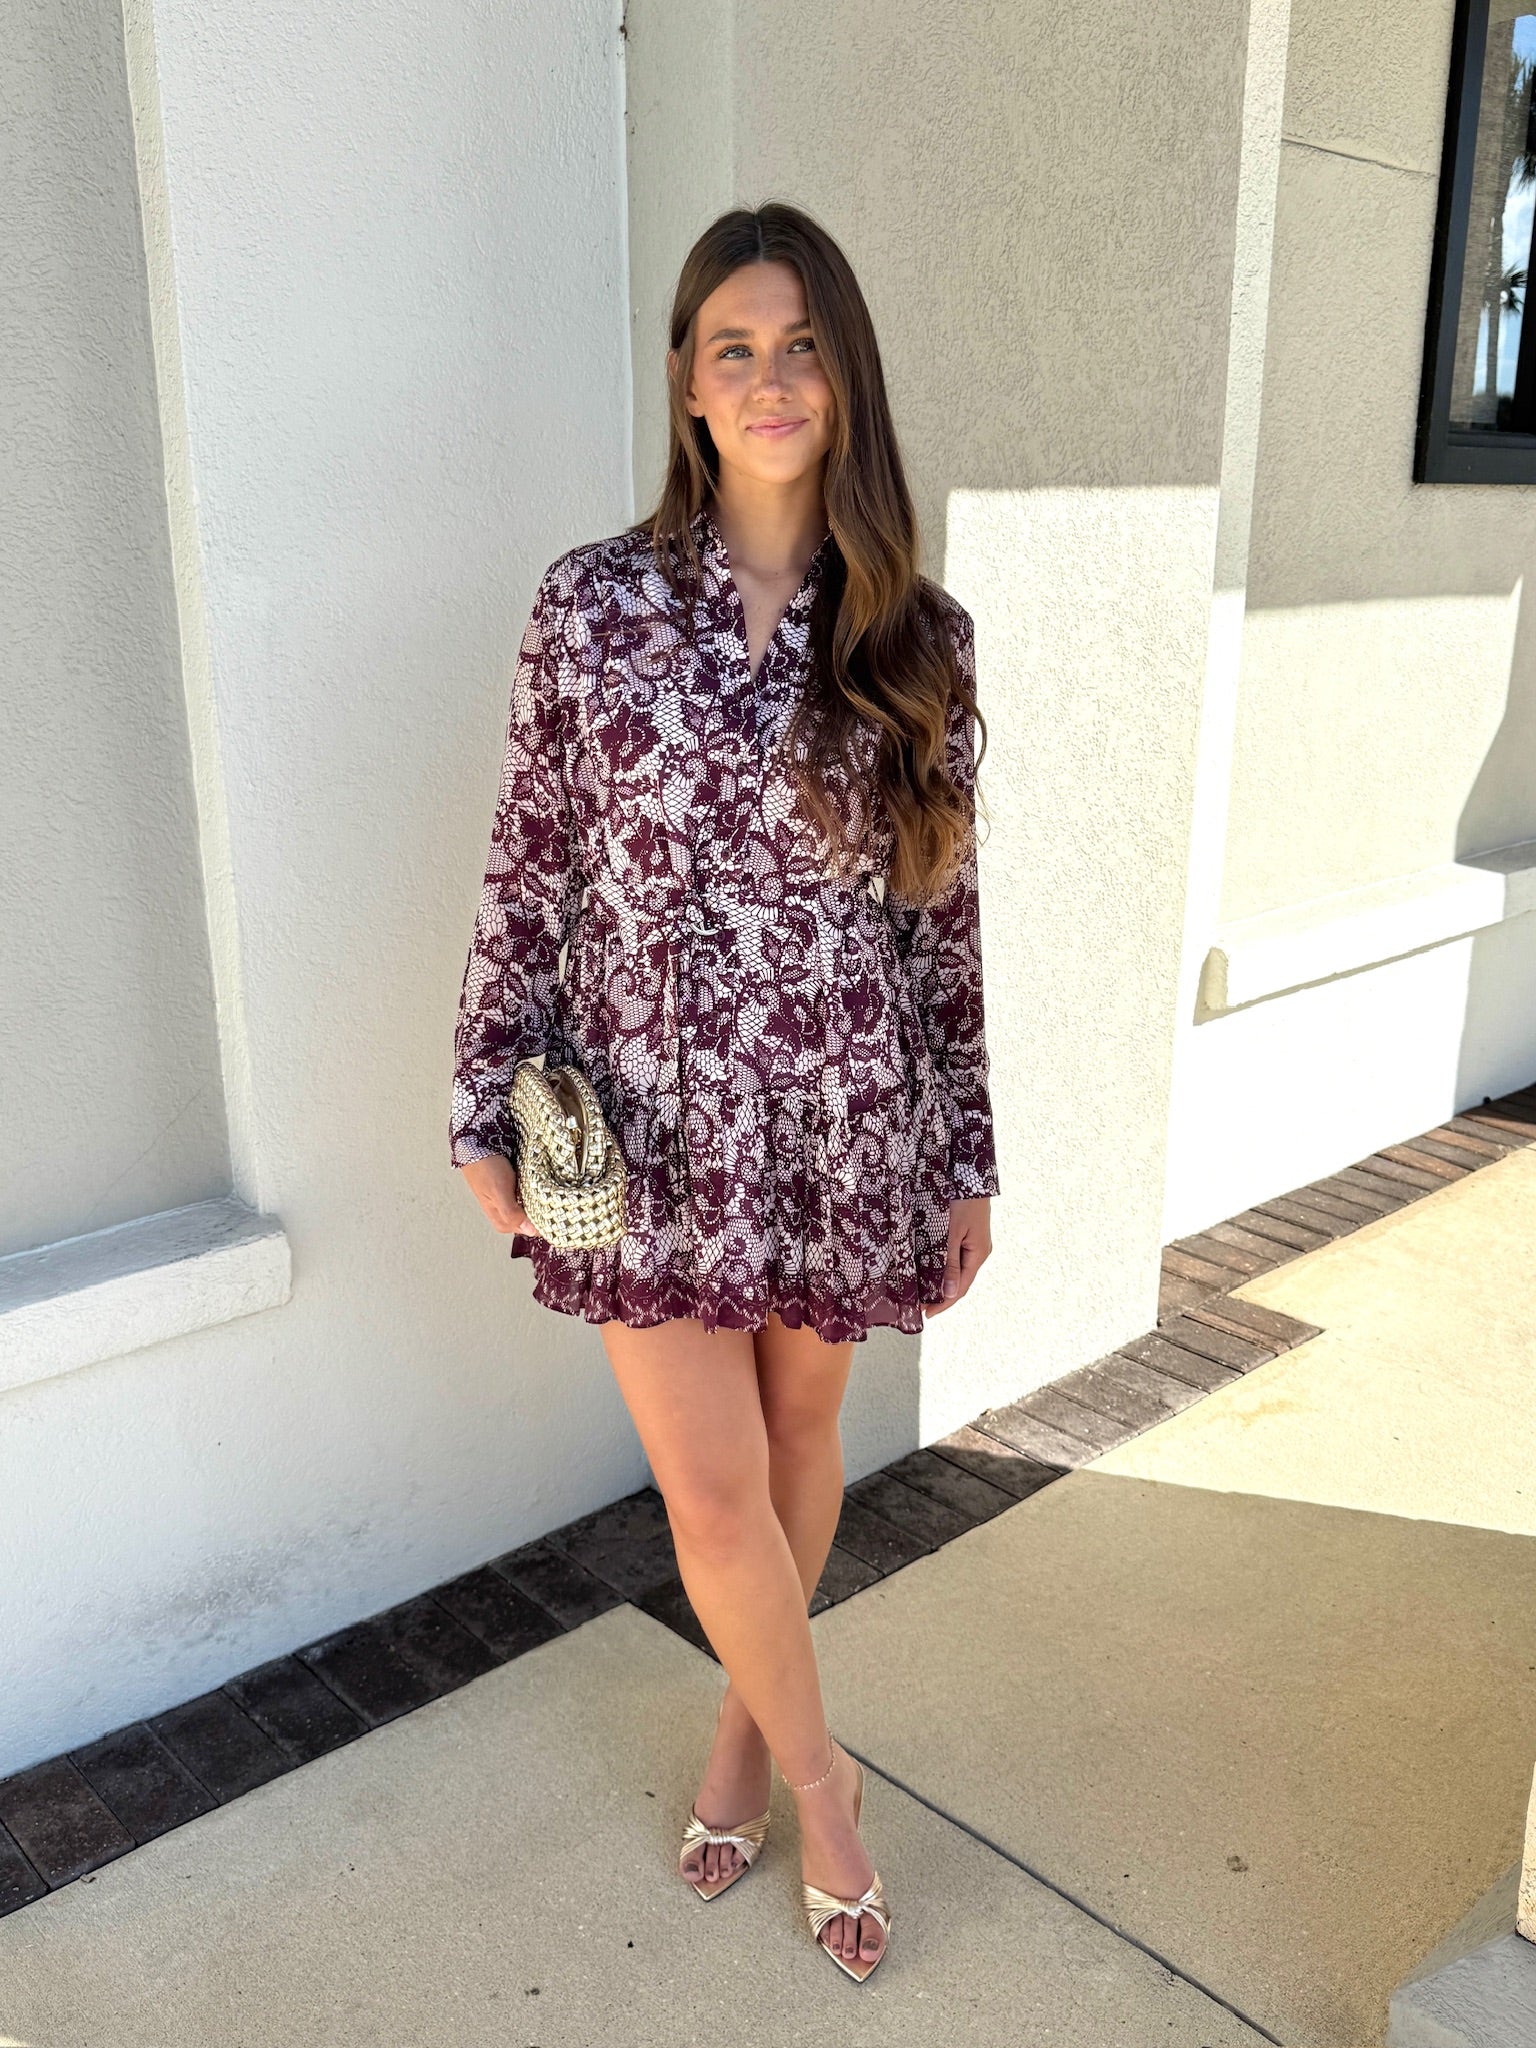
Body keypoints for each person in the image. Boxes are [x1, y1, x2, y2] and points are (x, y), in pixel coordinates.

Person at [449, 200, 1000, 1984]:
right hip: (644, 1121)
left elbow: (940, 920)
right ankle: (829, 1795)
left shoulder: (919, 635)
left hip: (843, 1115)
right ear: (687, 383)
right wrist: (482, 1089)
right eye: (735, 348)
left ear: (846, 379)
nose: (771, 380)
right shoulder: (589, 608)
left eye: (803, 346)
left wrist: (967, 1151)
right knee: (707, 1491)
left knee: (796, 1451)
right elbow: (529, 866)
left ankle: (744, 1738)